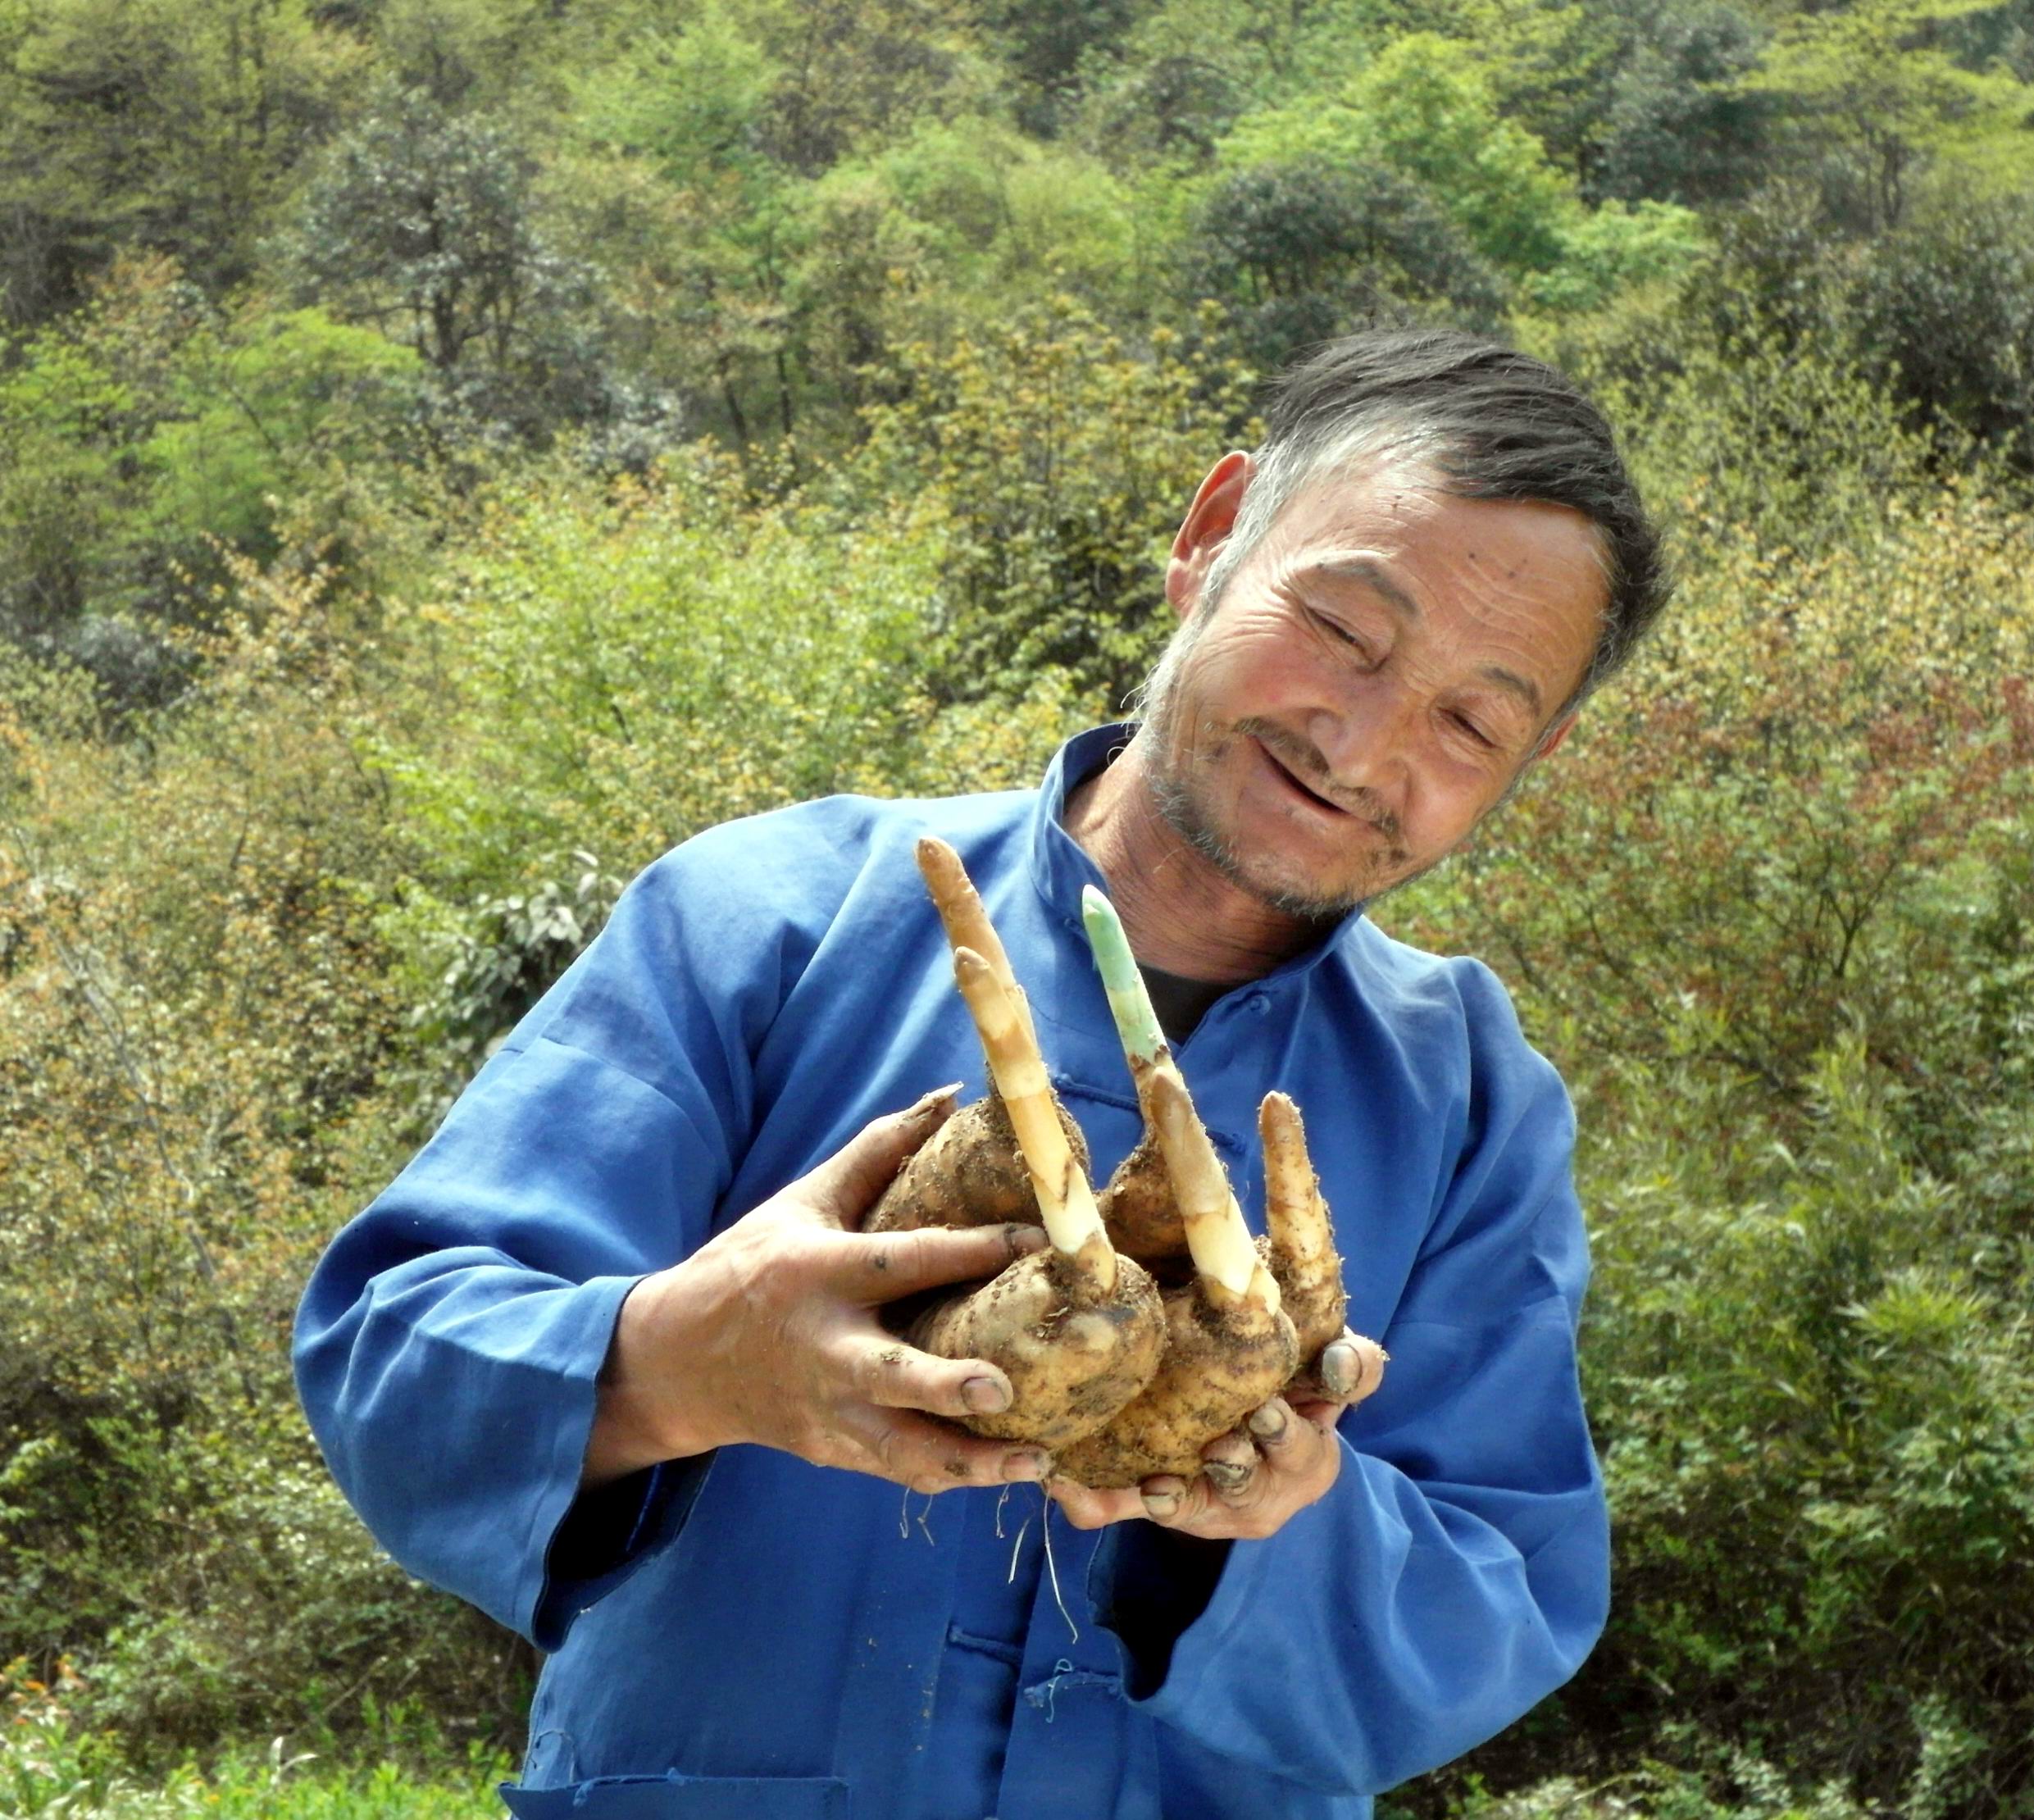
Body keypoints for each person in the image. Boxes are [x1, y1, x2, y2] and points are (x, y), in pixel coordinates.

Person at [293, 329, 1670, 1820]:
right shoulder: (765, 917)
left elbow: (1505, 1597)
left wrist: (1278, 1511)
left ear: (1531, 755)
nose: (1363, 740)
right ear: (1212, 538)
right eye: (1343, 628)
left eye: (1471, 719)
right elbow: (391, 1355)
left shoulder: (1471, 1097)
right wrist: (688, 1361)